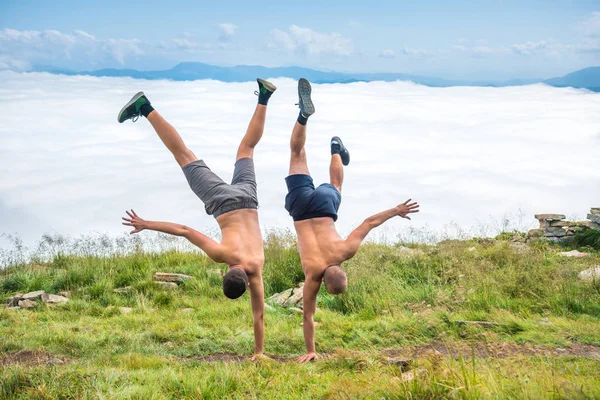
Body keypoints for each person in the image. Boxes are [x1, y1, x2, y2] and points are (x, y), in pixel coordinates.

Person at [117, 78, 277, 360]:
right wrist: (145, 223)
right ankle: (145, 107)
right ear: (225, 274)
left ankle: (264, 97)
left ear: (247, 282)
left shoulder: (258, 267)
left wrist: (259, 352)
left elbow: (259, 316)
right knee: (183, 155)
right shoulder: (222, 254)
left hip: (249, 198)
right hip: (221, 202)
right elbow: (184, 230)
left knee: (247, 149)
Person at [284, 78, 420, 363]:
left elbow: (369, 222)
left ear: (343, 272)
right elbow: (307, 316)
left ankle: (335, 148)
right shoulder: (311, 277)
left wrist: (396, 210)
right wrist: (311, 350)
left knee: (336, 185)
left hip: (323, 207)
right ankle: (303, 117)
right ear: (325, 283)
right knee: (297, 154)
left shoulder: (345, 252)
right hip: (299, 209)